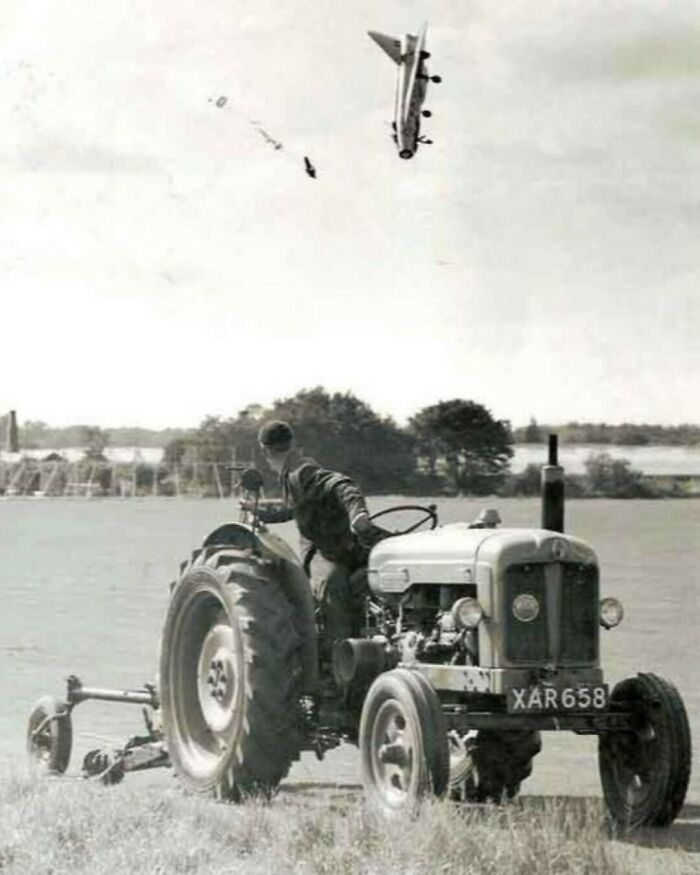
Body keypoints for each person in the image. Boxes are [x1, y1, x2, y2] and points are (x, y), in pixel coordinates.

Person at [251, 420, 386, 666]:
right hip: (329, 549)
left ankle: (344, 663)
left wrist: (358, 516)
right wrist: (261, 513)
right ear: (291, 443)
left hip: (332, 550)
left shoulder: (302, 471)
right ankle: (335, 663)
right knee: (331, 583)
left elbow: (342, 485)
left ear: (265, 451)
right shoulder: (291, 473)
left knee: (332, 584)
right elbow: (296, 509)